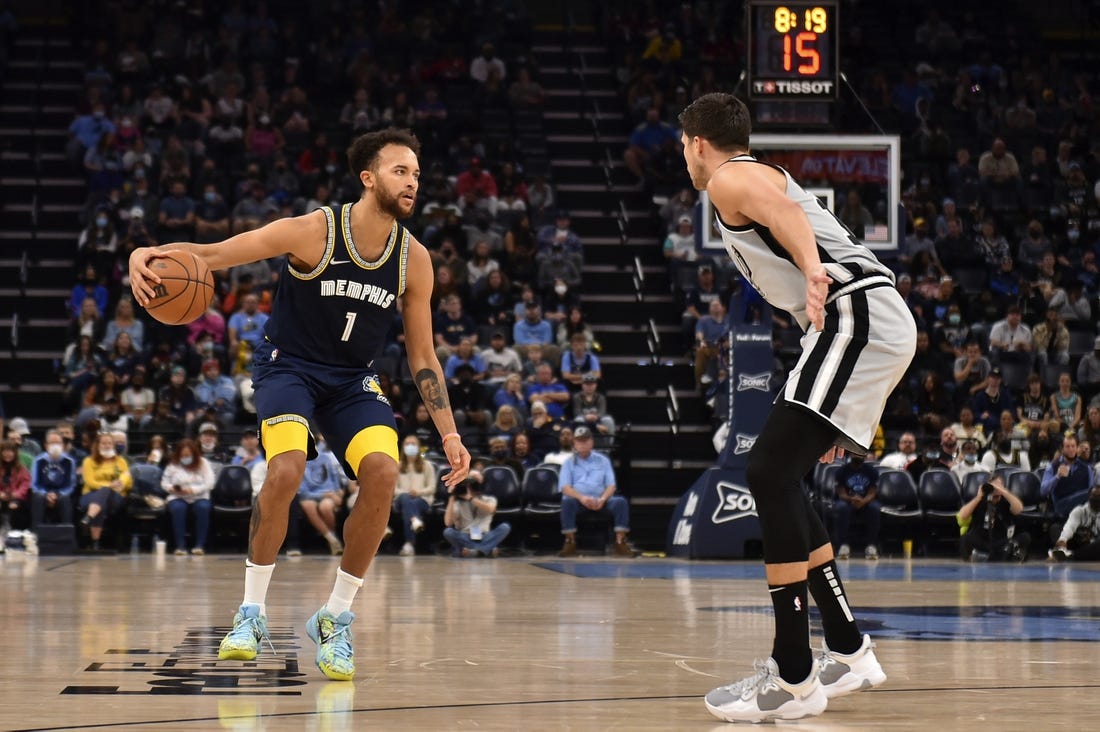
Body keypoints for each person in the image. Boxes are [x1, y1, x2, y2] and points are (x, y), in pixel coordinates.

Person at [129, 128, 470, 682]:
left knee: (383, 473)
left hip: (352, 381)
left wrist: (450, 433)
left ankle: (335, 618)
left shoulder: (416, 260)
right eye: (399, 171)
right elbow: (214, 255)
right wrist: (144, 253)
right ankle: (251, 613)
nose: (412, 182)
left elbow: (424, 355)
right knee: (286, 469)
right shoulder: (312, 230)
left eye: (415, 173)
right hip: (287, 368)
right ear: (368, 178)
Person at [679, 94, 909, 723]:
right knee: (782, 477)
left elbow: (784, 213)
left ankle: (794, 675)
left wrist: (812, 270)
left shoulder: (730, 176)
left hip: (850, 313)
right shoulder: (750, 176)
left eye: (683, 145)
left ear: (698, 142)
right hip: (854, 323)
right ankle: (847, 648)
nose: (685, 157)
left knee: (768, 474)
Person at [557, 426, 632, 557]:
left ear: (591, 442)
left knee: (620, 502)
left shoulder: (603, 460)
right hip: (579, 501)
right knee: (567, 501)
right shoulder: (568, 463)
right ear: (574, 443)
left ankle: (620, 542)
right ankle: (570, 542)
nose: (582, 444)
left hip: (601, 500)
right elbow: (565, 487)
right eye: (579, 441)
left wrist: (603, 499)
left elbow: (611, 485)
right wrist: (582, 498)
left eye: (585, 440)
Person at [79, 432, 133, 552]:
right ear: (97, 445)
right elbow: (90, 482)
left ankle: (88, 519)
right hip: (90, 494)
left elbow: (128, 482)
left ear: (113, 445)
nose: (107, 446)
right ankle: (95, 543)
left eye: (109, 443)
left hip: (115, 496)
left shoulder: (121, 461)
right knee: (101, 501)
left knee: (104, 492)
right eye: (103, 443)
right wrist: (109, 485)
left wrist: (118, 484)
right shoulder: (88, 461)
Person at [161, 438, 215, 556]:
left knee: (203, 508)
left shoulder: (203, 463)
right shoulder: (173, 464)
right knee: (178, 509)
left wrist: (193, 490)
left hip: (199, 496)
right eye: (183, 455)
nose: (186, 457)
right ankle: (180, 546)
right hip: (178, 496)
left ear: (194, 453)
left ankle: (199, 545)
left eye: (188, 455)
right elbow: (164, 482)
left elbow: (210, 483)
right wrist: (171, 488)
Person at [956, 475, 1029, 562]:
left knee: (1025, 537)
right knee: (965, 538)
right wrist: (978, 497)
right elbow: (962, 516)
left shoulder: (1006, 501)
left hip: (1001, 540)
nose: (995, 488)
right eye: (993, 485)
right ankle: (979, 558)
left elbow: (1019, 509)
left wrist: (1003, 491)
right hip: (981, 539)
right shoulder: (980, 500)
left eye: (998, 485)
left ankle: (997, 555)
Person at [442, 471, 511, 557]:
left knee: (505, 527)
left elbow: (490, 509)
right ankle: (487, 550)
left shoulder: (489, 499)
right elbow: (448, 523)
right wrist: (452, 497)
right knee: (448, 532)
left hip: (485, 535)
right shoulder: (458, 502)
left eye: (476, 481)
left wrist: (471, 498)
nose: (473, 484)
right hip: (465, 535)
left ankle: (471, 551)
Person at [393, 434, 436, 556]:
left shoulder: (427, 465)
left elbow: (432, 488)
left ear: (418, 447)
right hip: (400, 500)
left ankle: (409, 544)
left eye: (413, 444)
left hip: (422, 499)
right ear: (403, 447)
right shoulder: (398, 465)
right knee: (407, 499)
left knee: (411, 503)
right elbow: (393, 489)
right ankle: (415, 520)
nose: (410, 446)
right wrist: (407, 493)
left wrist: (418, 493)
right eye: (407, 444)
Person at [832, 457, 882, 560]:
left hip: (866, 501)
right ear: (850, 452)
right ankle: (843, 545)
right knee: (841, 507)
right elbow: (841, 493)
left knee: (875, 508)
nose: (858, 454)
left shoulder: (871, 471)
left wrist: (863, 501)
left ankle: (871, 546)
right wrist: (852, 499)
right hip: (847, 500)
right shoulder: (842, 470)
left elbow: (872, 492)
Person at [1040, 433, 1093, 519]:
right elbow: (1043, 491)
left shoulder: (1086, 468)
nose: (1071, 449)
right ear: (1062, 449)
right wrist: (1057, 477)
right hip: (1061, 505)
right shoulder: (1053, 467)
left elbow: (1091, 491)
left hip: (1081, 507)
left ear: (1077, 448)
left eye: (1073, 446)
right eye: (1067, 446)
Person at [1048, 484, 1100, 561]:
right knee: (1055, 528)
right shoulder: (1079, 510)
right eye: (1093, 495)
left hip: (1092, 547)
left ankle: (1071, 556)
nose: (1095, 498)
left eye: (1098, 496)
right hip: (1077, 543)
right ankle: (1062, 552)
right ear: (1089, 496)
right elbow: (1070, 526)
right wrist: (1063, 539)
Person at [0, 440, 31, 532]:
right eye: (5, 451)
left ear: (15, 453)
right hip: (1, 496)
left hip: (17, 498)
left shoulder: (22, 468)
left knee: (14, 506)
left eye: (10, 451)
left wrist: (15, 495)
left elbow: (25, 485)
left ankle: (15, 533)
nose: (7, 454)